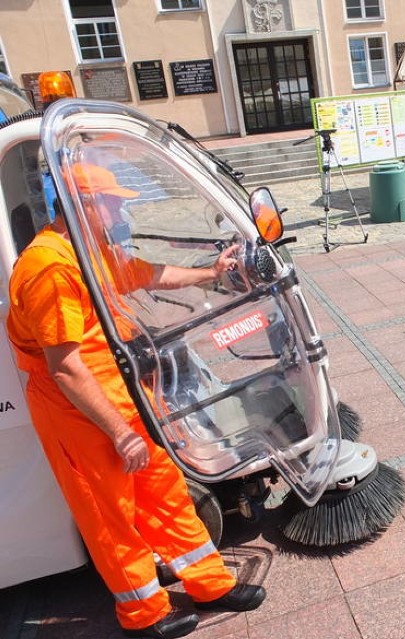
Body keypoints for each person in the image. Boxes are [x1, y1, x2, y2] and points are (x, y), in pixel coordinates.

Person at [6, 163, 266, 639]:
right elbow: (65, 366)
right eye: (112, 200)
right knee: (110, 512)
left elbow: (148, 274)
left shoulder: (87, 251)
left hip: (115, 393)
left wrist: (212, 271)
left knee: (161, 489)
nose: (121, 207)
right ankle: (143, 615)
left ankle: (210, 584)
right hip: (76, 409)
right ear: (85, 204)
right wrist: (121, 432)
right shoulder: (49, 267)